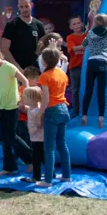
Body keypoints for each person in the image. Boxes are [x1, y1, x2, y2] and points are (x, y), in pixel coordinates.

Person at [0, 43, 31, 176]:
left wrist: (23, 99)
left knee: (11, 136)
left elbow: (25, 81)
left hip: (12, 106)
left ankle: (32, 159)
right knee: (5, 138)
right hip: (2, 106)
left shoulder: (9, 67)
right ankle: (9, 167)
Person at [37, 47, 71, 188]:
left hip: (52, 111)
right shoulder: (62, 74)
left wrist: (39, 114)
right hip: (64, 109)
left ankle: (48, 180)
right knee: (62, 144)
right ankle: (66, 175)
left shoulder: (45, 76)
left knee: (49, 147)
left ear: (44, 62)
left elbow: (45, 100)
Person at [0, 0, 46, 70]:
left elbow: (42, 47)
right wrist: (18, 69)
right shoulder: (11, 25)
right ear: (18, 7)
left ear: (31, 5)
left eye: (26, 6)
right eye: (21, 7)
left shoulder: (39, 25)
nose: (24, 9)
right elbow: (4, 49)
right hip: (16, 70)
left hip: (35, 70)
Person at [19, 87, 45, 184]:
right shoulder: (32, 109)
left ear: (32, 99)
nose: (23, 98)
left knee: (37, 157)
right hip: (35, 137)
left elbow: (39, 124)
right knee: (41, 156)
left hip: (38, 137)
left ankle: (36, 176)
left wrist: (32, 130)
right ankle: (49, 173)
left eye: (25, 97)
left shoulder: (37, 111)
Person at [65, 16, 86, 115]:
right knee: (75, 89)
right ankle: (76, 110)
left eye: (78, 23)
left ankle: (85, 109)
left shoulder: (86, 34)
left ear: (82, 24)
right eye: (74, 24)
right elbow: (73, 49)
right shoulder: (70, 37)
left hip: (86, 66)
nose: (77, 25)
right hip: (75, 67)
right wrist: (86, 44)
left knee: (86, 87)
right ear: (70, 27)